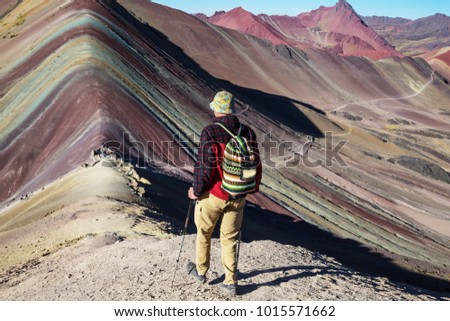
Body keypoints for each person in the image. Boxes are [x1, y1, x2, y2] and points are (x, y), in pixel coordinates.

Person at [187, 90, 262, 296]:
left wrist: (196, 191)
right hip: (238, 196)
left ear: (216, 109)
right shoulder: (247, 132)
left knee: (204, 233)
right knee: (229, 238)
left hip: (213, 195)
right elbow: (255, 164)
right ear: (232, 109)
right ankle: (230, 281)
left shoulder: (210, 132)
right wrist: (250, 189)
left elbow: (205, 167)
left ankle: (201, 272)